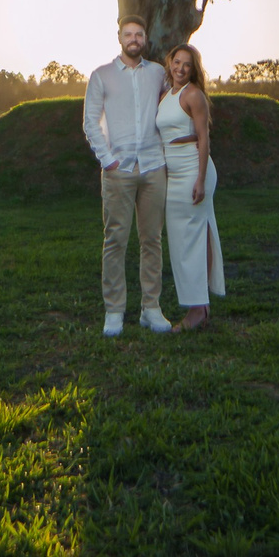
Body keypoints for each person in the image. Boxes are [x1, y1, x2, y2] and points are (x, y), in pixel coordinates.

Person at [83, 17, 171, 336]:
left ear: (145, 38)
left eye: (139, 34)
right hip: (118, 170)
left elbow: (173, 106)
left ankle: (151, 308)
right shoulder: (102, 76)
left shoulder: (158, 73)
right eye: (128, 34)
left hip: (153, 167)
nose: (134, 39)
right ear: (119, 38)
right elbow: (91, 121)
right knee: (115, 240)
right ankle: (115, 311)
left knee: (152, 240)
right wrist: (107, 161)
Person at [159, 43, 224, 330]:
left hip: (192, 171)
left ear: (193, 68)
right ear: (170, 63)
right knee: (180, 242)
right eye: (177, 62)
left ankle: (197, 310)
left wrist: (200, 179)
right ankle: (199, 305)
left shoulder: (193, 95)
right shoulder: (165, 95)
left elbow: (204, 139)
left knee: (195, 238)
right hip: (172, 174)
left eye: (187, 64)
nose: (180, 68)